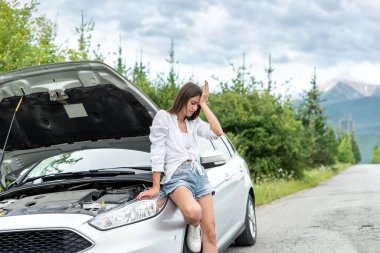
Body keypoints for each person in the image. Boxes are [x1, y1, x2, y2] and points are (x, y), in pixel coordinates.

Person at [136, 80, 223, 253]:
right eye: (193, 103)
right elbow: (157, 151)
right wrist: (155, 185)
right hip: (177, 176)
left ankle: (197, 227)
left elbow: (217, 132)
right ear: (183, 98)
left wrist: (204, 105)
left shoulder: (194, 123)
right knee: (193, 213)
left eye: (197, 105)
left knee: (211, 234)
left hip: (199, 174)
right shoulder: (164, 117)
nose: (194, 108)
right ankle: (194, 225)